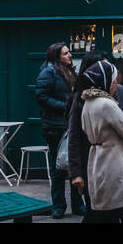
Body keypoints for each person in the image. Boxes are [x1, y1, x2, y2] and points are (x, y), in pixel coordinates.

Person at [67, 50, 123, 215]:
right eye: (113, 77)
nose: (116, 82)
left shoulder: (89, 102)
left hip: (96, 163)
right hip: (115, 164)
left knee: (103, 212)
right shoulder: (106, 104)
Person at [35, 41, 82, 218]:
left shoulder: (70, 71)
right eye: (65, 53)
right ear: (57, 56)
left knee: (74, 165)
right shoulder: (48, 72)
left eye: (69, 53)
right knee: (58, 168)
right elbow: (41, 97)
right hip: (55, 127)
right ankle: (59, 206)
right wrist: (66, 106)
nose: (70, 55)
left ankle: (78, 205)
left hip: (71, 125)